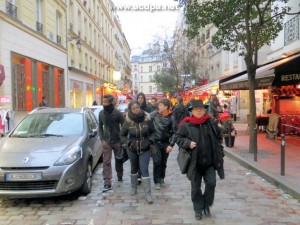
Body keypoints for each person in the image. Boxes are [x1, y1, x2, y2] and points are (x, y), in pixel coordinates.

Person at [176, 99, 224, 220]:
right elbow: (178, 138)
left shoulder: (210, 122)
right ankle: (198, 209)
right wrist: (187, 143)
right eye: (196, 109)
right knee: (196, 187)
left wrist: (219, 150)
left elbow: (219, 136)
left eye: (201, 108)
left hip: (209, 162)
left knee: (211, 184)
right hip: (194, 163)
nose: (199, 110)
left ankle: (206, 204)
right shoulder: (186, 124)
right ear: (191, 111)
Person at [120, 101, 155, 204]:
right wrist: (128, 143)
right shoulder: (127, 121)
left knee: (144, 169)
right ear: (130, 110)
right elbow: (122, 135)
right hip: (132, 148)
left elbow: (153, 132)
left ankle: (148, 193)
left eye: (138, 108)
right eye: (134, 108)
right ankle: (133, 187)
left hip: (145, 147)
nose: (136, 110)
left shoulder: (147, 119)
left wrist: (150, 141)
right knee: (134, 168)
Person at [98, 94, 125, 192]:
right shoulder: (101, 113)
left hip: (117, 140)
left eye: (105, 102)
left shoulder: (117, 113)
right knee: (106, 161)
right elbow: (100, 127)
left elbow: (124, 125)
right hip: (106, 140)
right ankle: (107, 180)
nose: (104, 104)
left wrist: (122, 138)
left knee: (119, 159)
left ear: (110, 102)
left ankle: (120, 174)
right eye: (103, 102)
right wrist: (102, 139)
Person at [150, 98, 176, 190]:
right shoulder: (155, 114)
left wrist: (171, 144)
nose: (159, 106)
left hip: (166, 143)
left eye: (161, 105)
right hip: (156, 142)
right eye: (159, 104)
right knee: (157, 162)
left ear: (166, 107)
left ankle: (162, 178)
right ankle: (156, 181)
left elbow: (174, 132)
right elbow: (146, 118)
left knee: (163, 162)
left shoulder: (171, 117)